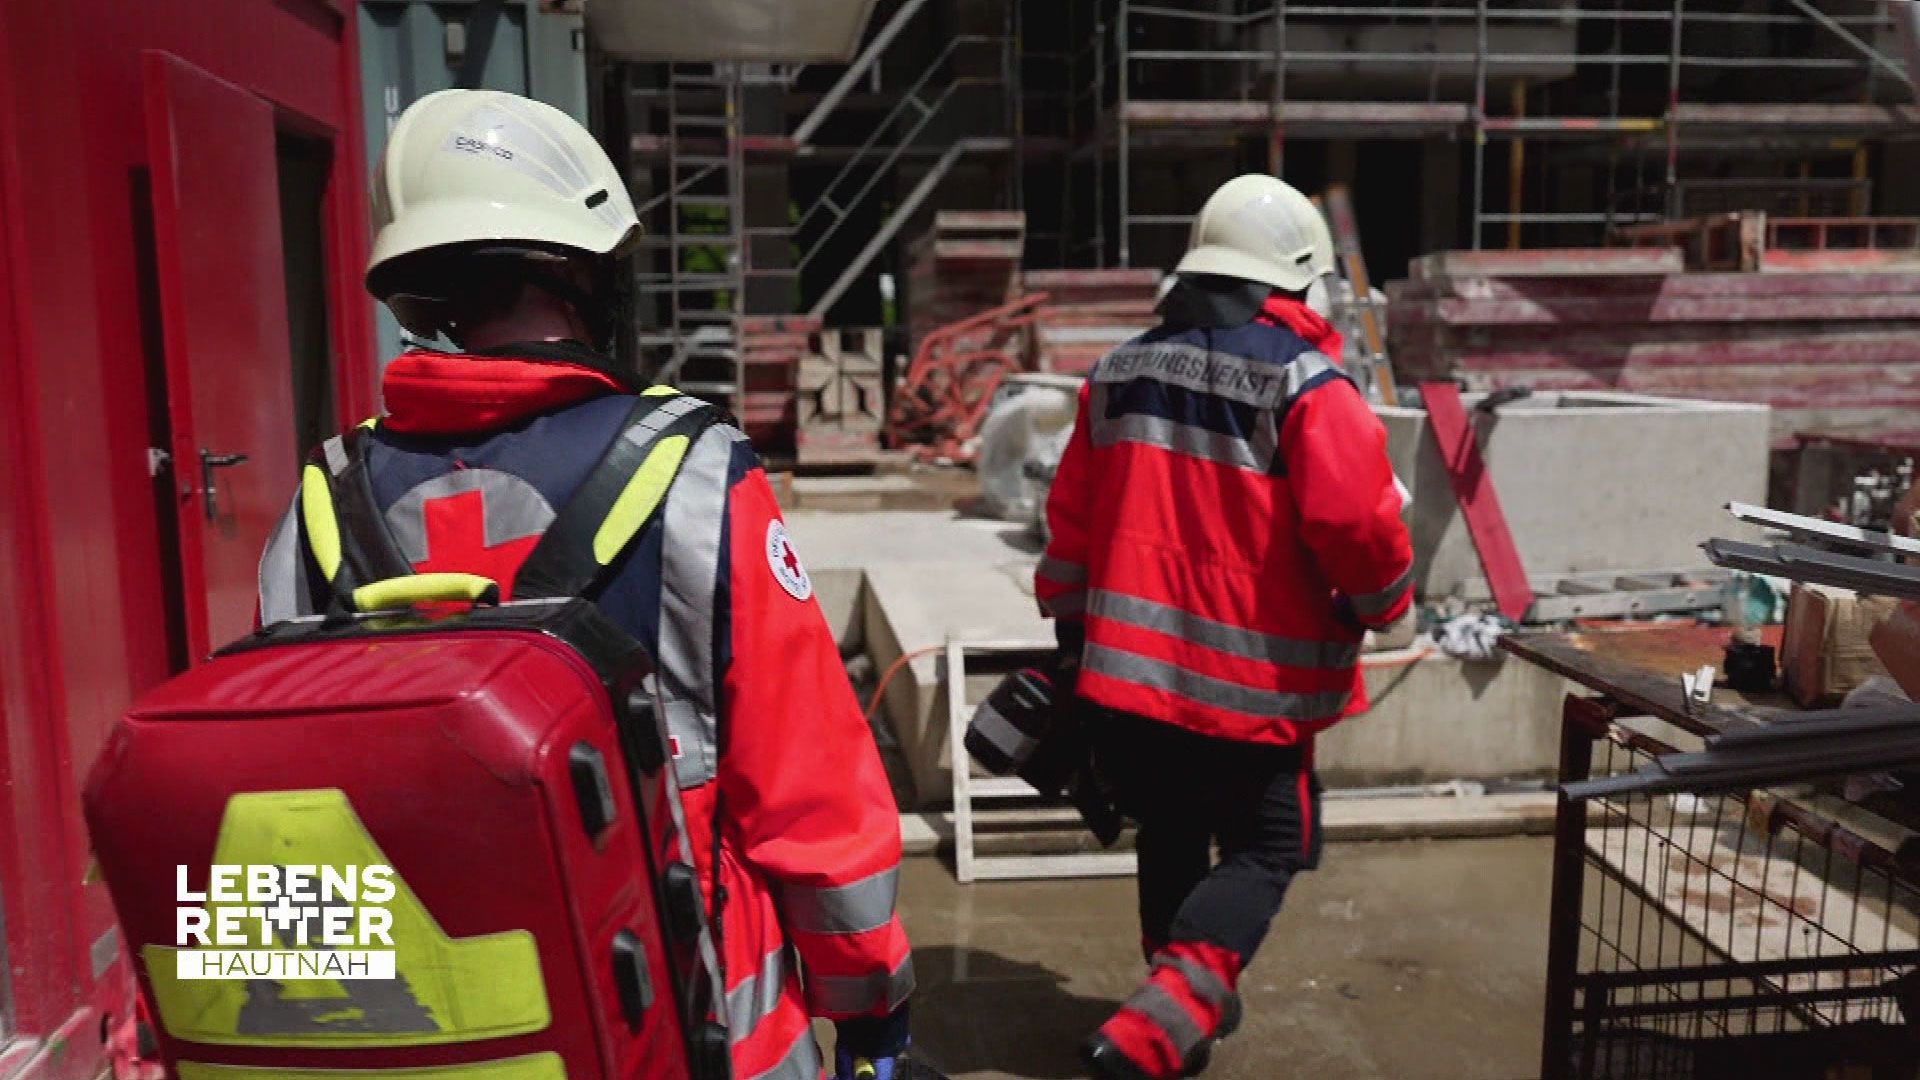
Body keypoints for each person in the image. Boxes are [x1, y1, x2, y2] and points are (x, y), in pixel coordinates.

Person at [256, 89, 913, 1080]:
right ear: (584, 278)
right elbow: (804, 779)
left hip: (446, 1028)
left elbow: (290, 804)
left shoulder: (320, 500)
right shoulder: (695, 471)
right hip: (690, 1020)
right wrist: (868, 1000)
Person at [1034, 174, 1414, 1080]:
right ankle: (1161, 1021)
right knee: (1271, 845)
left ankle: (1177, 1001)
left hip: (1125, 683)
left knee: (1167, 829)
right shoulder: (1306, 386)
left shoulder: (1115, 374)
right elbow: (1360, 528)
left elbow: (1072, 529)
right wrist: (1388, 609)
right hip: (1249, 699)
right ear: (1293, 282)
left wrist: (1069, 632)